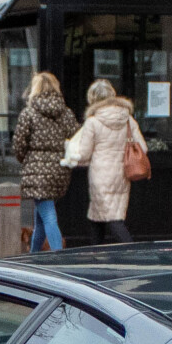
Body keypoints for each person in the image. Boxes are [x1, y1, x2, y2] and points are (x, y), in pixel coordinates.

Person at [63, 79, 144, 244]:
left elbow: (84, 154)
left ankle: (132, 251)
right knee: (98, 217)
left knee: (112, 220)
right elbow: (142, 147)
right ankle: (96, 253)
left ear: (92, 99)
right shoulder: (127, 119)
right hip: (122, 175)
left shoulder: (93, 122)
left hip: (100, 176)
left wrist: (70, 153)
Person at [8, 71, 77, 251]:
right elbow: (76, 138)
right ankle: (33, 256)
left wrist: (26, 160)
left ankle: (58, 256)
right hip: (59, 170)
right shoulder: (66, 113)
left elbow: (19, 143)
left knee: (48, 215)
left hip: (36, 171)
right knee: (40, 217)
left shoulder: (29, 113)